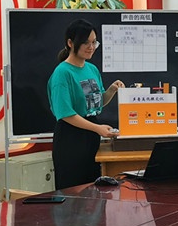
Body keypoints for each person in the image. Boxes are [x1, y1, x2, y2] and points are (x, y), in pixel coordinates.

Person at [47, 19, 125, 189]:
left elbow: (96, 103)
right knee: (74, 192)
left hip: (91, 136)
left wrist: (111, 90)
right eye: (85, 43)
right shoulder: (62, 73)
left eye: (94, 42)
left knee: (94, 190)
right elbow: (65, 114)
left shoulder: (91, 69)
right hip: (71, 138)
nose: (91, 47)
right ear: (70, 43)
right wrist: (97, 128)